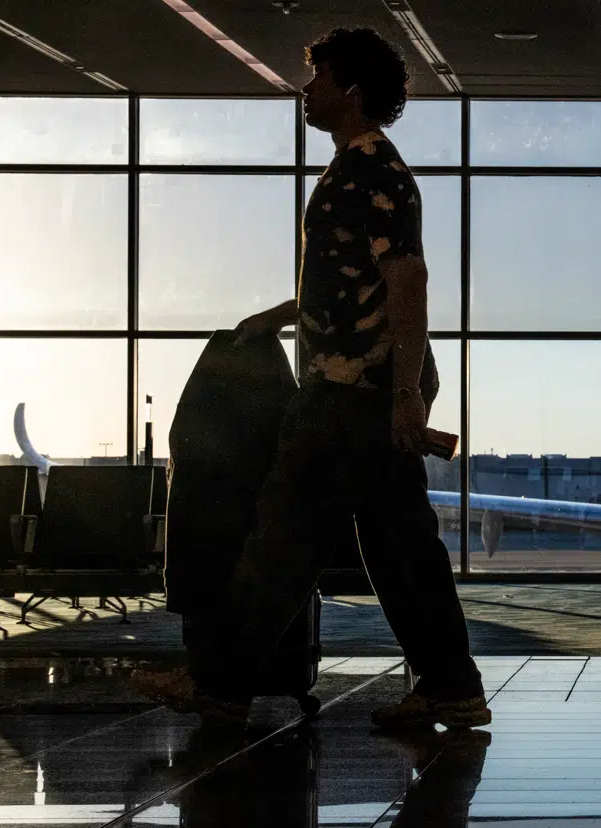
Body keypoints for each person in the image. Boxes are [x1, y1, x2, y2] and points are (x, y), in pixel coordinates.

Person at [135, 27, 486, 729]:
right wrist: (276, 316)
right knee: (396, 545)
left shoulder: (370, 171)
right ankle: (451, 687)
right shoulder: (356, 171)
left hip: (354, 391)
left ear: (350, 91)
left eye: (318, 77)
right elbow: (346, 282)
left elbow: (406, 280)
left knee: (284, 536)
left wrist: (405, 393)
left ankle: (221, 682)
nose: (307, 90)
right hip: (363, 385)